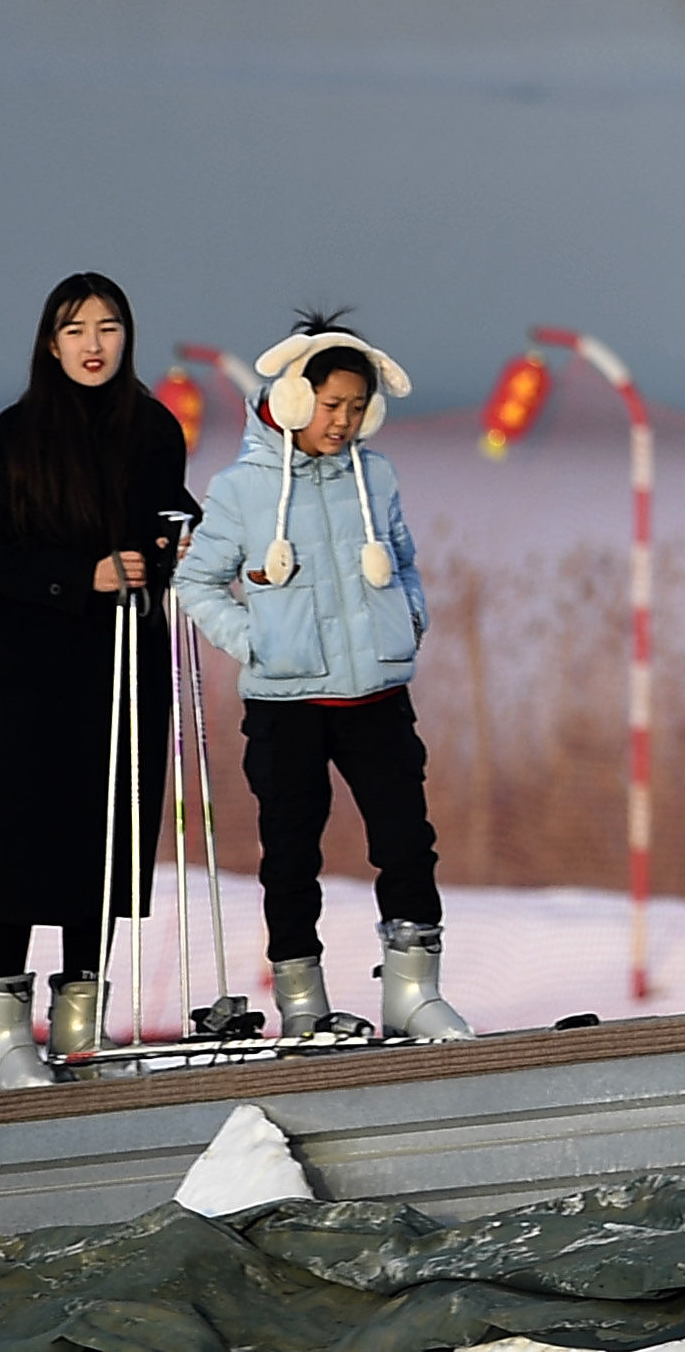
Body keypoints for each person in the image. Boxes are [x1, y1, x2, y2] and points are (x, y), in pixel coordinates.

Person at [178, 315, 466, 1043]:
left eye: (356, 408)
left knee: (406, 840)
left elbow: (402, 559)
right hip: (288, 704)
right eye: (330, 406)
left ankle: (413, 990)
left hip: (377, 696)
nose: (342, 422)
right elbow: (196, 581)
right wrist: (258, 642)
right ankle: (300, 997)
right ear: (298, 400)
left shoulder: (377, 475)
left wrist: (409, 620)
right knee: (291, 853)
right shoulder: (241, 488)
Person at [0, 271, 201, 1089]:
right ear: (49, 342)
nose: (94, 345)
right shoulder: (14, 435)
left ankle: (81, 1022)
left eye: (108, 328)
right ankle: (1, 1028)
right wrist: (77, 575)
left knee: (103, 834)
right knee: (17, 835)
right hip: (21, 663)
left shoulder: (156, 428)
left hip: (119, 659)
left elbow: (168, 516)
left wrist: (175, 545)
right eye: (75, 329)